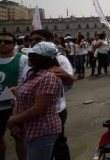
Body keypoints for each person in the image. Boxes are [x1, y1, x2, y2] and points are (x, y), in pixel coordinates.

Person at [7, 42, 62, 160]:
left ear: (40, 58)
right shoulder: (34, 74)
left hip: (43, 128)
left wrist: (12, 120)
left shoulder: (48, 77)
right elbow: (20, 96)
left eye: (31, 54)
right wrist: (17, 123)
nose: (28, 57)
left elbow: (39, 108)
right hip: (30, 126)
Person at [27, 29, 75, 160]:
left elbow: (68, 83)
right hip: (30, 111)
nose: (33, 42)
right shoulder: (28, 59)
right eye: (31, 40)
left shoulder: (60, 60)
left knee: (57, 146)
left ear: (49, 41)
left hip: (54, 110)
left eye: (38, 39)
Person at [0, 32, 28, 160]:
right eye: (0, 41)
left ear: (14, 44)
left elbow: (29, 81)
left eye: (7, 42)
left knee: (19, 137)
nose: (2, 44)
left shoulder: (23, 59)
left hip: (16, 106)